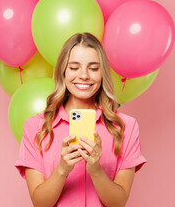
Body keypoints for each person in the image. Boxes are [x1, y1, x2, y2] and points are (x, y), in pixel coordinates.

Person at [15, 32, 147, 207]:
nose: (84, 75)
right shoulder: (36, 127)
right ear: (63, 71)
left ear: (102, 73)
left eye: (93, 68)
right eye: (74, 67)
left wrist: (96, 169)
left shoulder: (125, 127)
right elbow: (40, 203)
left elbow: (118, 203)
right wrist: (62, 168)